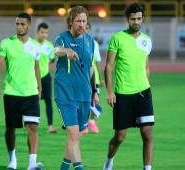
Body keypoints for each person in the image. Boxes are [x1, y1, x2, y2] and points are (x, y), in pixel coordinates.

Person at [103, 3, 154, 170]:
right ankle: (109, 161)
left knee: (147, 134)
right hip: (123, 94)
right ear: (127, 19)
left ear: (143, 19)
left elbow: (146, 65)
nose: (136, 22)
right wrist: (110, 92)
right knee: (120, 137)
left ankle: (147, 168)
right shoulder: (118, 38)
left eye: (139, 19)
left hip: (143, 93)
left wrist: (147, 82)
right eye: (133, 19)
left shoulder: (147, 40)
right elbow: (109, 66)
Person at [0, 13, 43, 170]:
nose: (19, 26)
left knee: (33, 127)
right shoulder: (6, 43)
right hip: (12, 93)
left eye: (22, 24)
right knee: (11, 129)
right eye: (17, 24)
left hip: (31, 93)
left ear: (29, 25)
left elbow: (37, 67)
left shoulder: (35, 45)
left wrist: (39, 86)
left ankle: (32, 164)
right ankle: (12, 159)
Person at [54, 5, 98, 170]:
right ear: (71, 22)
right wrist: (66, 51)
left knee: (75, 137)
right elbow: (56, 50)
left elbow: (90, 68)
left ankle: (64, 167)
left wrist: (95, 90)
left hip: (84, 95)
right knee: (72, 134)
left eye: (84, 21)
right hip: (65, 94)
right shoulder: (62, 38)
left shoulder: (90, 41)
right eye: (78, 21)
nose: (81, 24)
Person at [82, 22, 104, 134]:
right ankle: (84, 124)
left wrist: (101, 78)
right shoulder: (77, 42)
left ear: (89, 29)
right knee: (84, 102)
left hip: (93, 78)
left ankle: (91, 121)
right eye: (83, 27)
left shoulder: (94, 43)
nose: (85, 29)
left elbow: (97, 62)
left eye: (87, 28)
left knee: (95, 102)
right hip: (82, 79)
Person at [36, 22, 58, 133]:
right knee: (33, 101)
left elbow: (53, 58)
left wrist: (45, 64)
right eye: (42, 32)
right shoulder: (31, 44)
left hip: (46, 77)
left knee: (49, 101)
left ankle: (50, 125)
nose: (44, 35)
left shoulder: (49, 45)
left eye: (46, 33)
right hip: (33, 78)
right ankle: (31, 123)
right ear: (37, 32)